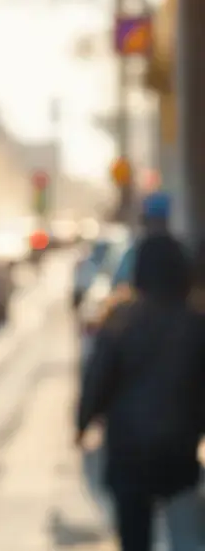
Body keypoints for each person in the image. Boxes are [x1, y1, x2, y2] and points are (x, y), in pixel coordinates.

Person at [77, 234, 205, 551]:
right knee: (187, 537)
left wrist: (82, 424)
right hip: (180, 451)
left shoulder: (120, 321)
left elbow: (98, 380)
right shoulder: (196, 324)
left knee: (134, 538)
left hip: (128, 453)